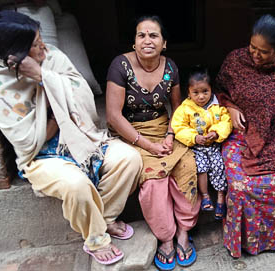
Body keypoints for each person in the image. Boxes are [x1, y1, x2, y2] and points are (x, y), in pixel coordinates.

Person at [0, 11, 143, 265]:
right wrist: (56, 117)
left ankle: (105, 218)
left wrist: (44, 77)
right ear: (15, 54)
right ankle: (96, 238)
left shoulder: (52, 57)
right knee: (76, 184)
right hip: (41, 157)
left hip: (82, 138)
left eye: (40, 39)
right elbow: (27, 141)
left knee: (130, 159)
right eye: (33, 45)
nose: (43, 46)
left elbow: (85, 101)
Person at [105, 15, 200, 270]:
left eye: (154, 35)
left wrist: (170, 135)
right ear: (134, 42)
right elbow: (113, 116)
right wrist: (148, 146)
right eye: (141, 35)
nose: (147, 40)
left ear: (164, 43)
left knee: (188, 165)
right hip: (131, 133)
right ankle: (166, 237)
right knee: (154, 178)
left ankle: (184, 231)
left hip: (164, 128)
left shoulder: (171, 67)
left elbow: (178, 108)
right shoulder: (120, 65)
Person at [215, 14, 275, 258]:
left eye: (264, 52)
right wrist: (231, 107)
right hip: (239, 135)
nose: (255, 55)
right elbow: (221, 90)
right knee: (239, 185)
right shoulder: (236, 61)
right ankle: (245, 243)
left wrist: (273, 141)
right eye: (252, 47)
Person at [171, 65, 232, 220]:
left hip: (214, 145)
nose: (201, 96)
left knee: (219, 166)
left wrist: (216, 132)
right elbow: (178, 127)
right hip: (197, 148)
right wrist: (194, 137)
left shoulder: (218, 106)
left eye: (205, 91)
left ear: (211, 89)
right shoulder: (185, 108)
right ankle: (205, 195)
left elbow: (226, 121)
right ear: (189, 93)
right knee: (201, 168)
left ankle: (220, 195)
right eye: (195, 93)